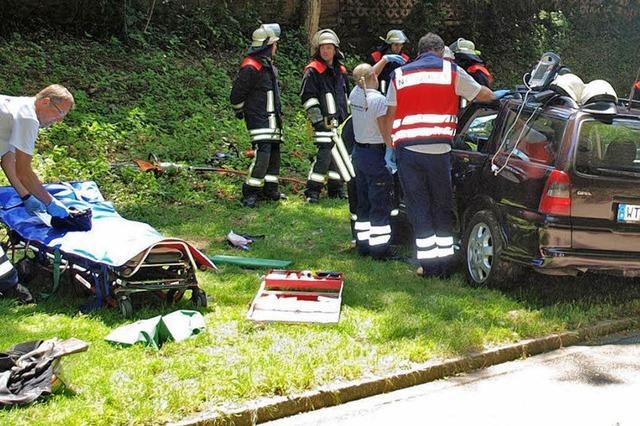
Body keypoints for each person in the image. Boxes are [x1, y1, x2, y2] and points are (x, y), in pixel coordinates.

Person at [383, 33, 496, 278]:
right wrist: (498, 96)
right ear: (439, 50)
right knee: (441, 207)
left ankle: (428, 266)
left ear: (420, 51)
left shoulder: (400, 74)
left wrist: (389, 147)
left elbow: (390, 113)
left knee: (419, 208)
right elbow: (480, 95)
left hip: (408, 152)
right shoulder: (451, 71)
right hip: (439, 152)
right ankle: (444, 266)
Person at [0, 84, 74, 303]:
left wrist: (25, 196)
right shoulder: (28, 118)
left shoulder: (17, 107)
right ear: (45, 101)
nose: (58, 120)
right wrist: (50, 202)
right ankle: (9, 286)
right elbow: (24, 171)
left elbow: (7, 159)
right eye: (59, 113)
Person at [230, 23, 285, 208]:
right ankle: (250, 192)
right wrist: (240, 110)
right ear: (268, 45)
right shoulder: (251, 66)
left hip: (273, 119)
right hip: (259, 118)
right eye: (275, 44)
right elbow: (237, 95)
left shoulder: (268, 66)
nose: (276, 48)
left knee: (274, 155)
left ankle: (270, 190)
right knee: (263, 155)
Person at [300, 29, 351, 203]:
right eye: (322, 48)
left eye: (329, 48)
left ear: (335, 49)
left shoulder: (341, 71)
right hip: (324, 122)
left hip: (342, 121)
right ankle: (312, 191)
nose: (325, 51)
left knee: (340, 157)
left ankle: (335, 189)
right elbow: (308, 97)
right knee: (324, 157)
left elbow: (346, 95)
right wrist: (317, 120)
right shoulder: (313, 70)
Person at [349, 63, 393, 259]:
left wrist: (382, 59)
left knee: (363, 202)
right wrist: (391, 151)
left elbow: (364, 75)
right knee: (379, 204)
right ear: (374, 77)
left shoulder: (355, 94)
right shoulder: (379, 101)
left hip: (359, 153)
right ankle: (379, 251)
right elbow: (385, 130)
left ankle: (363, 245)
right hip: (375, 154)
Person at [368, 30, 411, 95]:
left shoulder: (404, 59)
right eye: (396, 45)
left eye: (401, 45)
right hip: (377, 93)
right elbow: (369, 76)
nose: (398, 48)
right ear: (389, 44)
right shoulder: (376, 57)